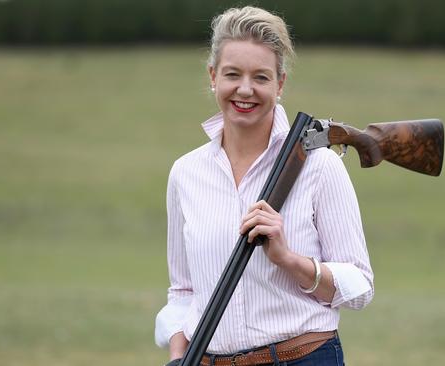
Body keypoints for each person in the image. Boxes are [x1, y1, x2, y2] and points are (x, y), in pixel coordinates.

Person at [155, 6, 374, 366]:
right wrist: (180, 356)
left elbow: (360, 287)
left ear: (280, 83)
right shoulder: (186, 172)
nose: (245, 89)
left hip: (301, 357)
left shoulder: (319, 166)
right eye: (232, 74)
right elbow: (183, 291)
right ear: (213, 76)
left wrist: (289, 260)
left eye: (261, 77)